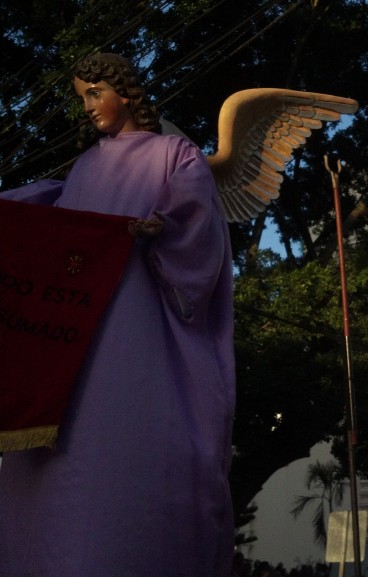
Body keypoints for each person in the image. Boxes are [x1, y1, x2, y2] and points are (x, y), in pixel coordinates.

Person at [0, 53, 235, 576]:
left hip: (137, 322)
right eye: (81, 96)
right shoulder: (85, 166)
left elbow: (200, 228)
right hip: (74, 331)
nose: (87, 107)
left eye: (94, 93)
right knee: (61, 464)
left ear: (125, 93)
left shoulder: (175, 154)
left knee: (128, 441)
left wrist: (163, 228)